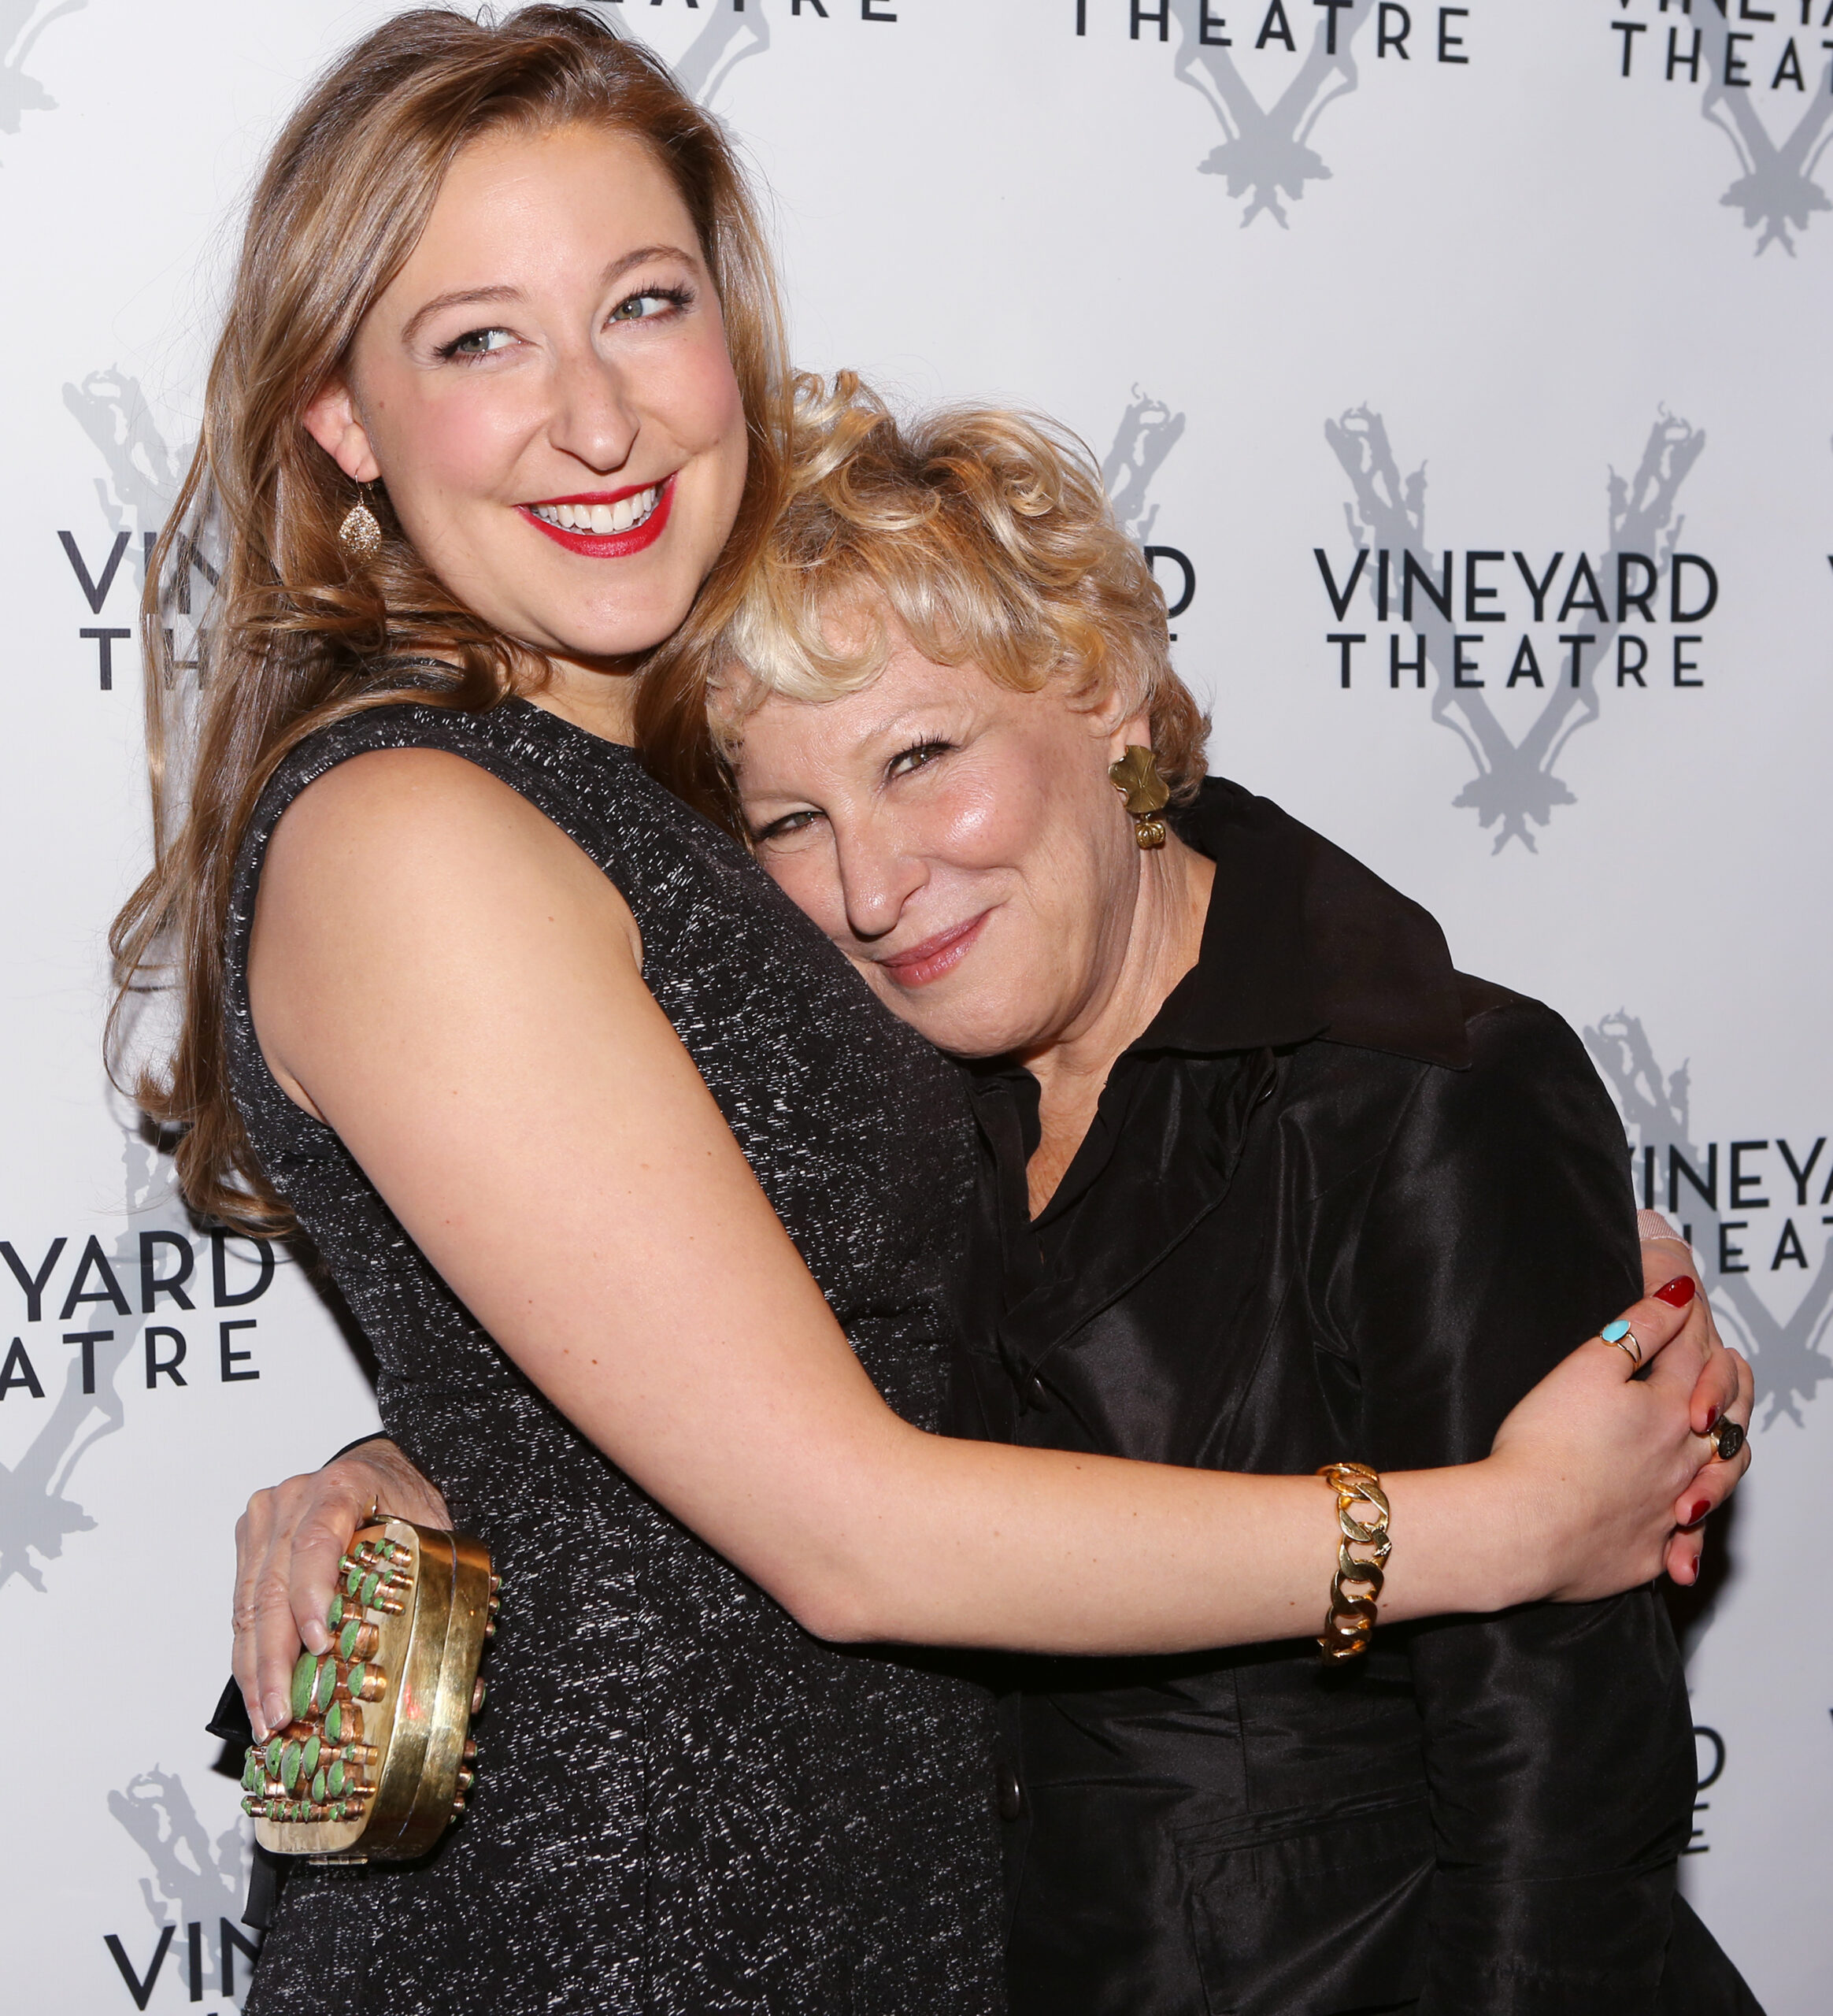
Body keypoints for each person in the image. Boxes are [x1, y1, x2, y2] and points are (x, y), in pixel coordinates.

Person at [119, 10, 1745, 2014]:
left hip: (882, 1912)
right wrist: (1495, 1523)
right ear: (341, 418)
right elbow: (841, 1523)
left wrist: (426, 1443)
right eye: (478, 341)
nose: (600, 416)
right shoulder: (412, 829)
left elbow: (760, 1307)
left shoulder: (680, 807)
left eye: (644, 302)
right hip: (624, 1935)